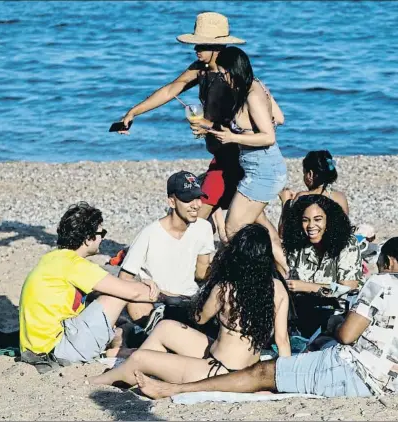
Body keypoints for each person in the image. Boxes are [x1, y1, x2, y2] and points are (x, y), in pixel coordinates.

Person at [128, 236, 398, 400]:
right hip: (388, 382)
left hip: (352, 372)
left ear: (389, 261)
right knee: (282, 368)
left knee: (263, 371)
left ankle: (175, 390)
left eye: (382, 263)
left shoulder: (381, 281)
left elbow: (346, 337)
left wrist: (337, 324)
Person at [90, 224, 291, 387]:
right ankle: (135, 372)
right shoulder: (278, 289)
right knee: (165, 327)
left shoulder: (226, 288)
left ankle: (107, 378)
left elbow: (199, 318)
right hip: (244, 368)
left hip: (218, 371)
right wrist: (287, 379)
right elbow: (282, 341)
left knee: (140, 358)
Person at [117, 13, 249, 233]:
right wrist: (133, 112)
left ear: (217, 46)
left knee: (199, 218)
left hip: (237, 157)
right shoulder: (201, 68)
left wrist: (207, 125)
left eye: (201, 44)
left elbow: (241, 123)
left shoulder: (234, 75)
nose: (195, 48)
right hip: (219, 156)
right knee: (238, 218)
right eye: (195, 43)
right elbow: (171, 89)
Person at [18, 202, 159, 373]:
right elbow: (133, 293)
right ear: (88, 239)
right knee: (118, 294)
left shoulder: (52, 259)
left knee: (114, 312)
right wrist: (161, 294)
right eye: (102, 233)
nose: (103, 238)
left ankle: (114, 350)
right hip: (58, 350)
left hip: (38, 348)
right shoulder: (74, 264)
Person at [200, 46, 288, 276]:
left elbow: (269, 136)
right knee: (257, 225)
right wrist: (210, 128)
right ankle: (286, 272)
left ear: (232, 70)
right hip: (258, 168)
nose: (222, 78)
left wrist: (233, 137)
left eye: (223, 73)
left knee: (232, 229)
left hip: (264, 171)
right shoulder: (255, 85)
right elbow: (280, 117)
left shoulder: (252, 95)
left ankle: (250, 276)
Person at [119, 170, 214, 331]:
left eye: (198, 197)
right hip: (157, 301)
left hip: (190, 300)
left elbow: (201, 274)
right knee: (134, 301)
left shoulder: (204, 228)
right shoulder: (149, 234)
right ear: (171, 202)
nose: (196, 205)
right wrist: (143, 283)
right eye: (188, 199)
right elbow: (123, 278)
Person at [282, 194, 363, 337]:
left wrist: (305, 286)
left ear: (329, 221)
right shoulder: (298, 244)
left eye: (317, 219)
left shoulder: (346, 244)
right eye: (305, 220)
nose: (311, 226)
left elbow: (348, 289)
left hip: (337, 316)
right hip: (302, 311)